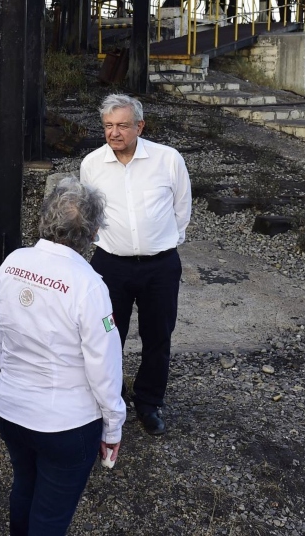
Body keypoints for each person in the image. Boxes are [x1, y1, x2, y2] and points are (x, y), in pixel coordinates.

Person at [0, 178, 126, 536]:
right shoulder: (89, 285)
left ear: (46, 217)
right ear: (93, 232)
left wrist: (17, 377)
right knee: (50, 515)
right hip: (65, 422)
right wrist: (113, 425)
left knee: (25, 486)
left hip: (10, 406)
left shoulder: (12, 262)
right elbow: (104, 368)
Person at [80, 94, 190, 436]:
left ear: (139, 126)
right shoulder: (92, 164)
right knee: (108, 337)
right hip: (111, 265)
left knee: (158, 336)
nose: (115, 133)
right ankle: (108, 401)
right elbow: (89, 213)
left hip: (160, 266)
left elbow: (181, 208)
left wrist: (163, 242)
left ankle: (149, 402)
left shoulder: (167, 159)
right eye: (109, 126)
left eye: (123, 126)